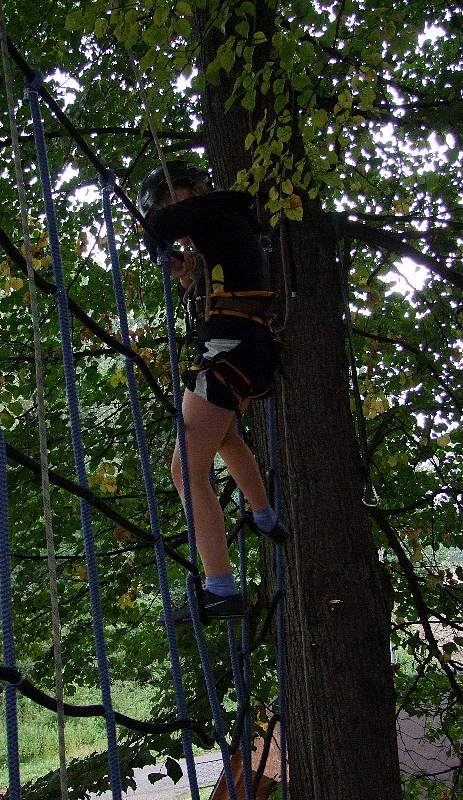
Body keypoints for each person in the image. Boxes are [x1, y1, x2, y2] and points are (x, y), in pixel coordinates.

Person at [138, 160, 287, 624]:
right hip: (245, 347)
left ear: (192, 191)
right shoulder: (227, 224)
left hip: (231, 347)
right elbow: (214, 280)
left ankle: (220, 588)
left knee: (185, 470)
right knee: (225, 438)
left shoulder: (214, 210)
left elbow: (161, 227)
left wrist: (159, 240)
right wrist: (185, 271)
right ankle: (264, 515)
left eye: (172, 198)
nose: (170, 210)